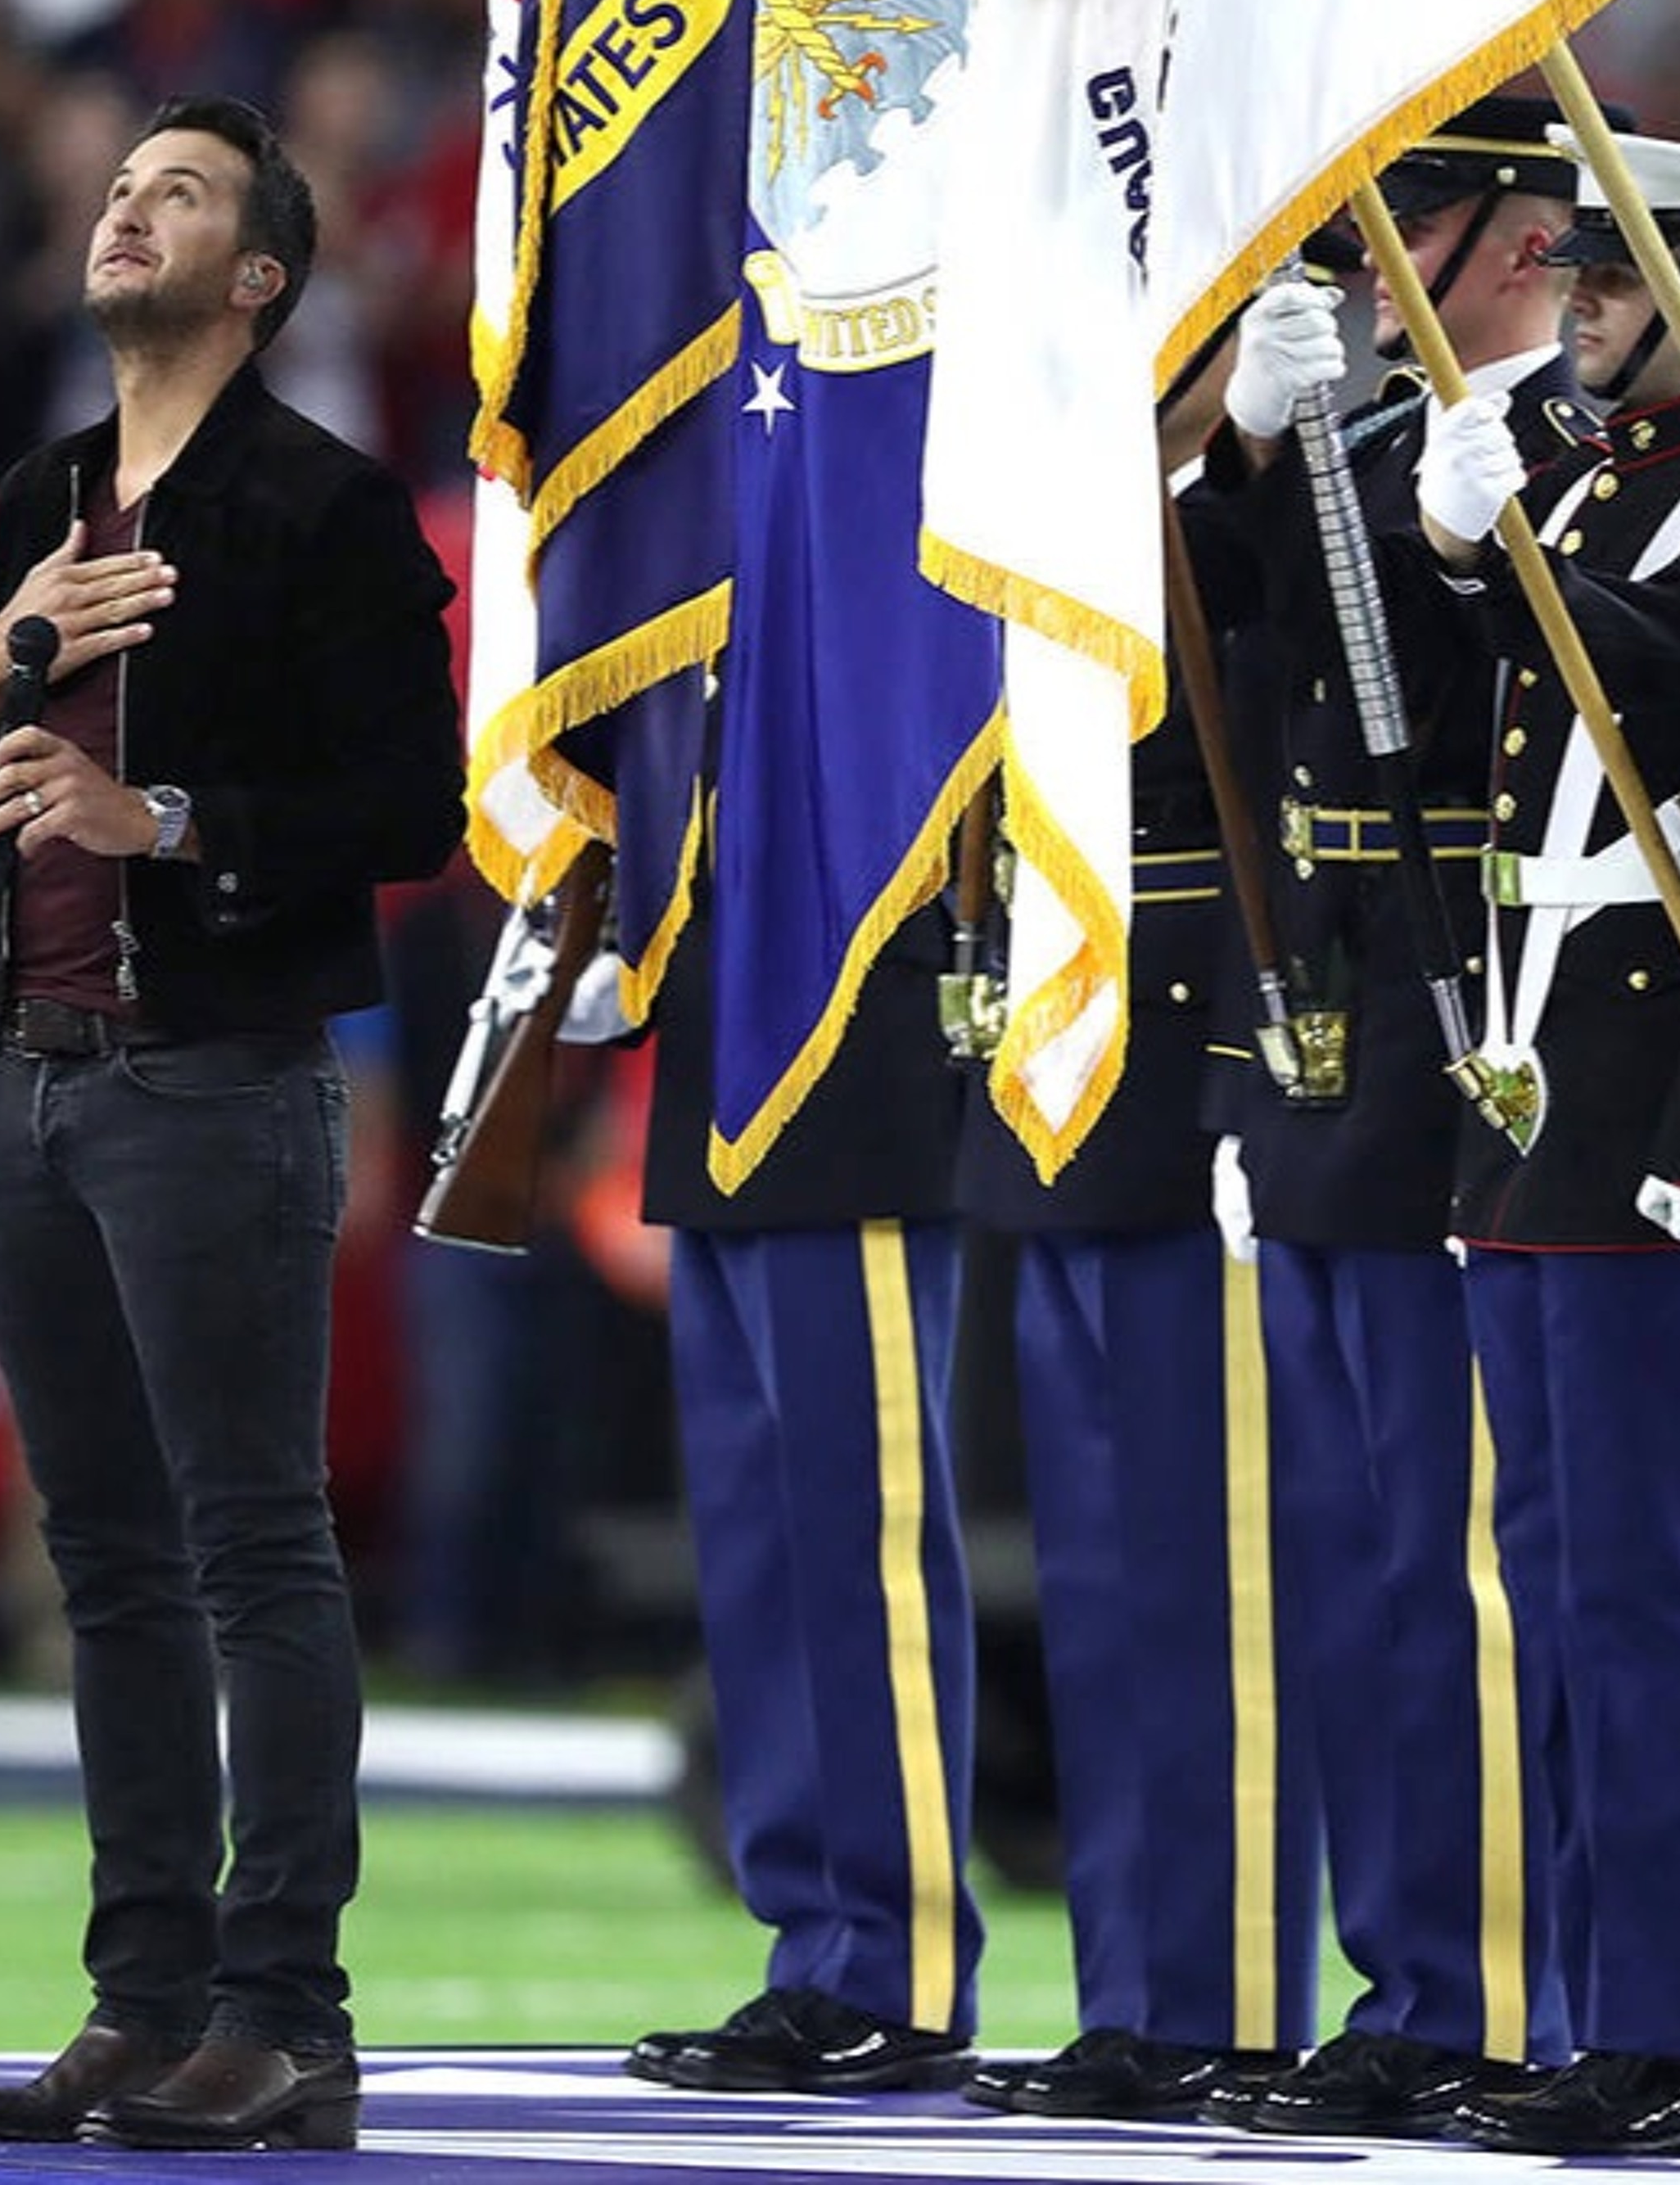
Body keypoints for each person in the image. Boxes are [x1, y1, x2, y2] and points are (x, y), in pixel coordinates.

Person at [0, 92, 463, 2153]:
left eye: (181, 192)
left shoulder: (325, 506)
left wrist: (170, 819)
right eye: (122, 184)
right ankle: (140, 2004)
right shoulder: (43, 491)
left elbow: (413, 810)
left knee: (249, 1541)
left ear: (258, 278)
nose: (128, 206)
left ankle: (287, 2013)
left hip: (210, 1075)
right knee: (110, 1559)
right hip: (28, 1071)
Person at [1413, 129, 1680, 2156]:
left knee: (1652, 1576)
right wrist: (1454, 543)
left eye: (1608, 281)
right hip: (1534, 1070)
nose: (1571, 305)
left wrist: (1511, 564)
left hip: (1657, 1079)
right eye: (1573, 275)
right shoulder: (1583, 479)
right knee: (1553, 1572)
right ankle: (1598, 2004)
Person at [1190, 98, 1595, 2136]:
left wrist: (1449, 547)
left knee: (1470, 1558)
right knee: (1354, 1556)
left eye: (1418, 214)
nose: (1375, 253)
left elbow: (1467, 708)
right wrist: (1251, 451)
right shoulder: (1353, 447)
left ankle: (1505, 1990)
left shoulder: (1578, 461)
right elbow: (1216, 640)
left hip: (1465, 1030)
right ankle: (1411, 1971)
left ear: (1524, 239)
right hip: (1327, 1026)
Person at [957, 334, 1318, 2122]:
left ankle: (1229, 1989)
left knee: (1210, 1563)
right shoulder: (1039, 515)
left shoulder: (1281, 498)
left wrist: (1245, 461)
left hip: (1196, 1045)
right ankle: (1138, 1986)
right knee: (1099, 1570)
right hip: (1063, 1035)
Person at [621, 835, 980, 2096]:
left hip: (856, 1008)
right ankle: (817, 1945)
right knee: (758, 1547)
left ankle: (894, 1965)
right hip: (719, 1013)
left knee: (859, 1543)